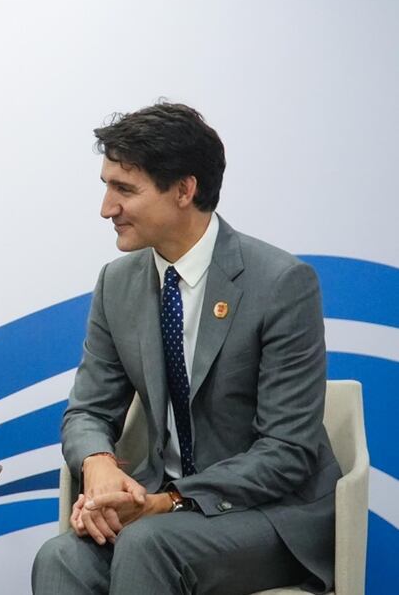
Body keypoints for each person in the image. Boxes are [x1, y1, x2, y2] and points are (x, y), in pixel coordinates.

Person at [32, 103, 340, 594]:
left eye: (124, 190)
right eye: (106, 186)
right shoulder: (117, 283)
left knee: (148, 543)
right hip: (162, 513)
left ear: (183, 190)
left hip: (271, 515)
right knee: (61, 557)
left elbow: (287, 452)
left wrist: (169, 501)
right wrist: (99, 464)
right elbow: (87, 411)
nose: (106, 208)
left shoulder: (281, 283)